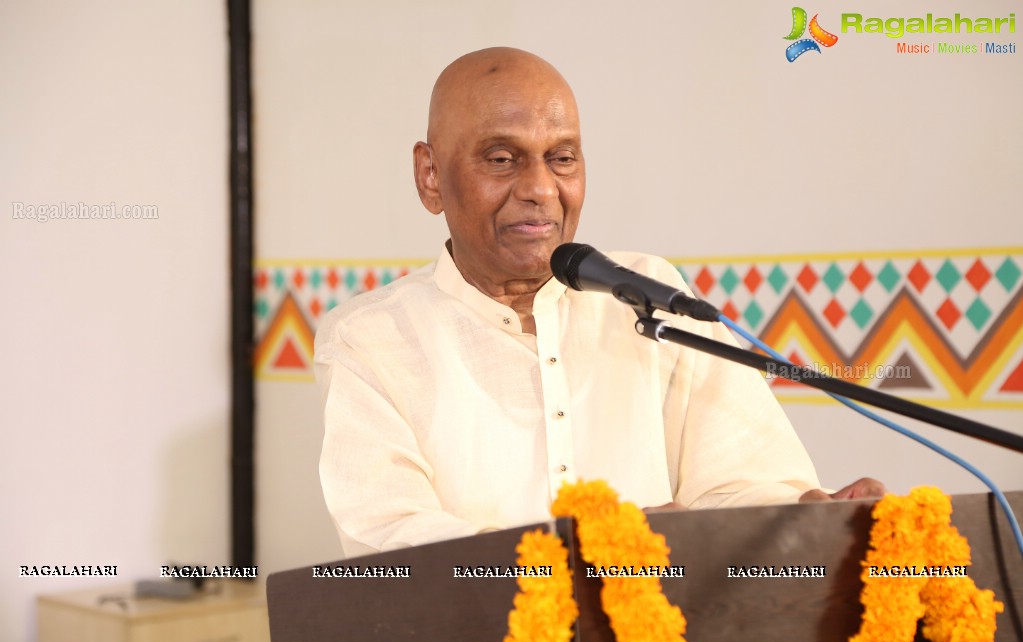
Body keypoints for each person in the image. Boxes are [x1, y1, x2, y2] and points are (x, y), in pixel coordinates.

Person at [315, 47, 882, 557]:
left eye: (561, 158)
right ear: (430, 175)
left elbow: (735, 483)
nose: (540, 188)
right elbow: (391, 542)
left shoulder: (648, 296)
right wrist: (583, 551)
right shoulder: (369, 340)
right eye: (501, 159)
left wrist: (805, 514)